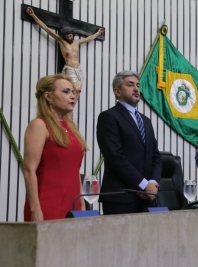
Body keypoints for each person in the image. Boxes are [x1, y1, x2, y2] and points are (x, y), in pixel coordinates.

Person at [23, 74, 88, 221]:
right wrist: (35, 210)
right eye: (66, 92)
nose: (72, 96)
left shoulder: (70, 127)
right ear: (48, 96)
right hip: (47, 203)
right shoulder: (39, 125)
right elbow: (29, 170)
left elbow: (75, 170)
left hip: (73, 202)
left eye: (73, 92)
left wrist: (82, 203)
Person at [97, 70, 161, 214]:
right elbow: (115, 157)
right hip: (121, 197)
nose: (136, 89)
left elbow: (155, 156)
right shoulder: (109, 117)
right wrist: (143, 185)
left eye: (138, 85)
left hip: (148, 198)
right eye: (130, 85)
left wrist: (152, 184)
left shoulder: (146, 121)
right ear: (117, 91)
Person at [26, 7, 104, 94]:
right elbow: (46, 28)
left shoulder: (77, 42)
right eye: (67, 36)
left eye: (70, 36)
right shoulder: (61, 41)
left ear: (73, 35)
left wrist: (98, 33)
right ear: (64, 36)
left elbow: (89, 38)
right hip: (70, 68)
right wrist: (33, 15)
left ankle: (70, 106)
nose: (69, 38)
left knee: (78, 91)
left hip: (79, 69)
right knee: (75, 90)